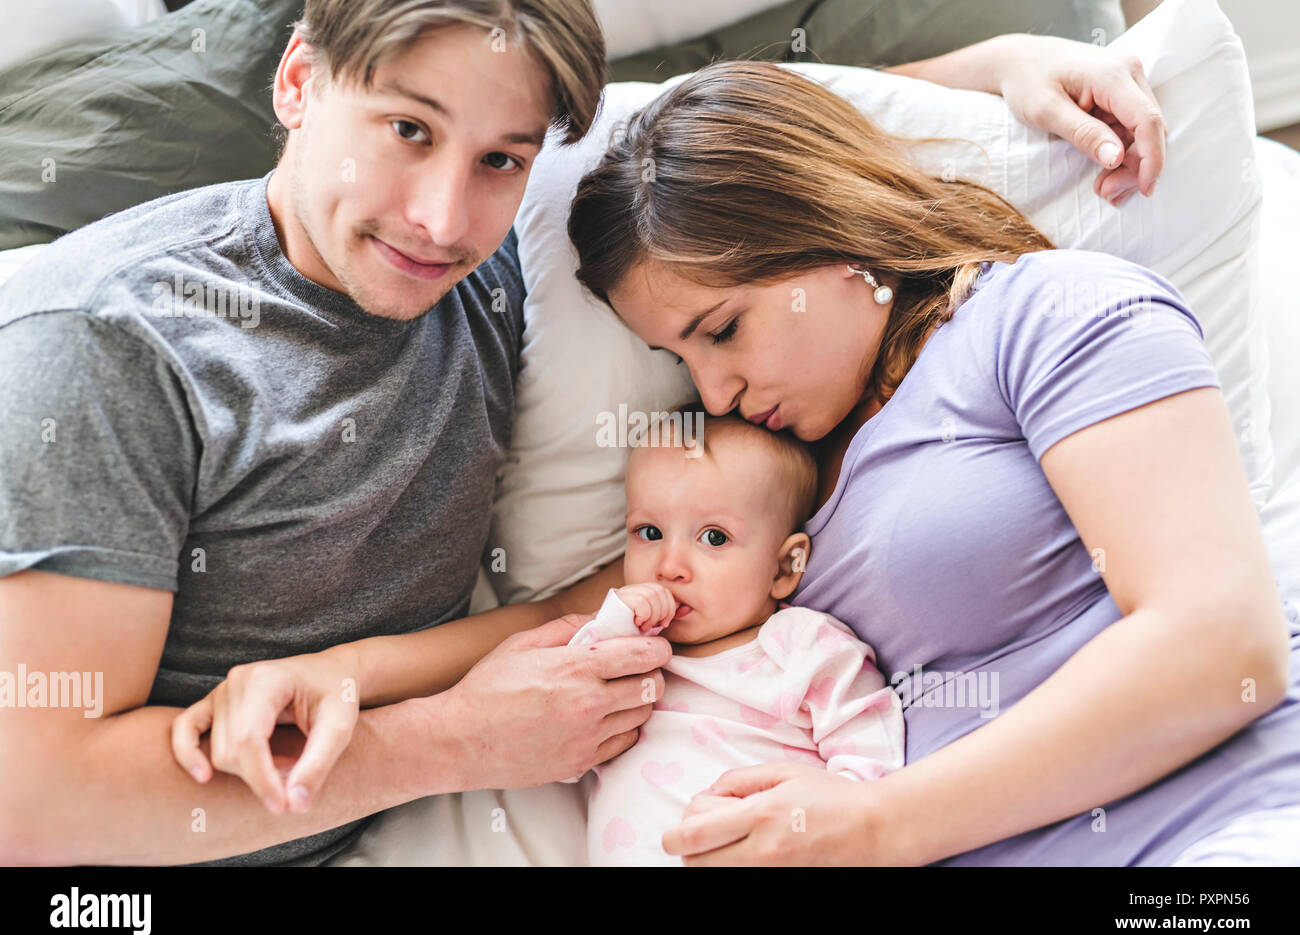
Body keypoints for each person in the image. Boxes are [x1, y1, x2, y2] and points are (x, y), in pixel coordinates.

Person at [0, 0, 1178, 866]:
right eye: (406, 130)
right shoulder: (105, 344)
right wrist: (458, 745)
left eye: (499, 159)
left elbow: (741, 135)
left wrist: (1006, 64)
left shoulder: (509, 251)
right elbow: (33, 804)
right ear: (299, 83)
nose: (441, 218)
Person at [563, 60, 1300, 865]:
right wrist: (410, 704)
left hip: (1223, 834)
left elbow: (1224, 645)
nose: (715, 391)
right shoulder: (767, 488)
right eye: (678, 358)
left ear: (822, 222)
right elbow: (584, 601)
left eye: (723, 330)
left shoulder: (1045, 314)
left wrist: (875, 824)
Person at [559, 408, 904, 865]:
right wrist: (614, 625)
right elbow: (562, 742)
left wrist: (836, 827)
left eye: (714, 538)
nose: (669, 565)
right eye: (649, 532)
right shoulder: (629, 656)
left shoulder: (800, 647)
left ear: (784, 568)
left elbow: (871, 752)